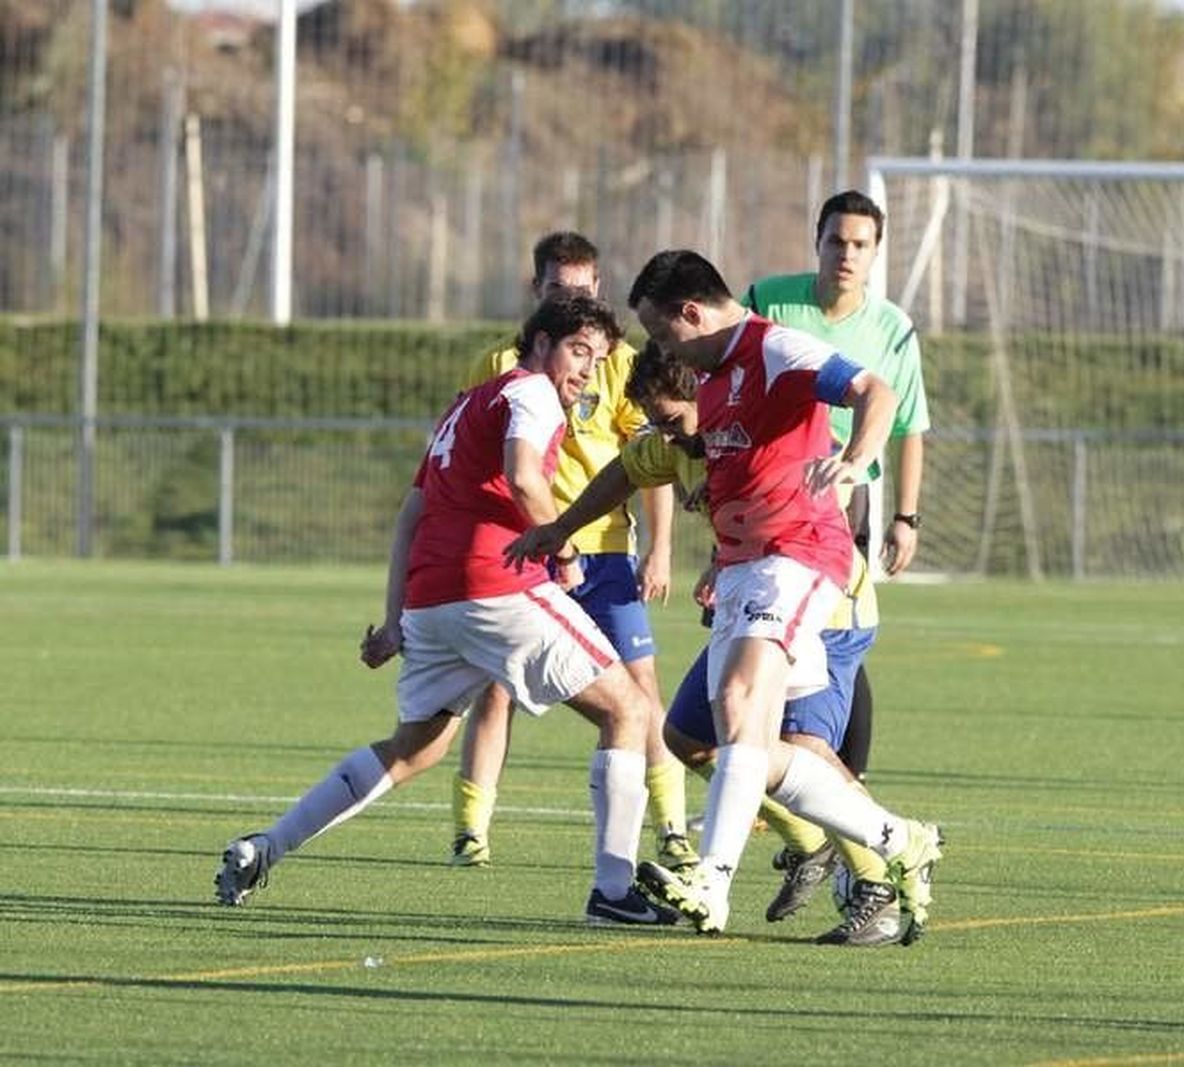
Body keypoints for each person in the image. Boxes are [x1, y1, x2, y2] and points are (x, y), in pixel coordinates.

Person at [508, 249, 943, 941]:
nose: (659, 349)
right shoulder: (707, 384)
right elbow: (628, 469)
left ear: (690, 312)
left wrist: (856, 459)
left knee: (741, 709)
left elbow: (874, 390)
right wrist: (560, 525)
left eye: (661, 332)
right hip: (745, 569)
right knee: (751, 749)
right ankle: (900, 839)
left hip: (800, 554)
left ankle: (712, 884)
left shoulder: (775, 347)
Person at [213, 295, 680, 927]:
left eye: (597, 358)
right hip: (496, 586)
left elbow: (410, 516)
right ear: (539, 343)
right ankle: (613, 891)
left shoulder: (466, 403)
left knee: (414, 750)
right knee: (628, 708)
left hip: (435, 600)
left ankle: (266, 846)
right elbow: (522, 477)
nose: (585, 370)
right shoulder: (530, 392)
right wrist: (563, 546)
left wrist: (395, 619)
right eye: (577, 351)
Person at [449, 232, 694, 874]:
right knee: (497, 691)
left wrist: (661, 546)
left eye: (583, 292)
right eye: (559, 291)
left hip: (604, 550)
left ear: (599, 293)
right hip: (527, 551)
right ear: (538, 293)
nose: (571, 301)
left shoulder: (618, 362)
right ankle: (471, 829)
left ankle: (672, 826)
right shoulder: (501, 364)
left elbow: (652, 460)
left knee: (641, 689)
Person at [744, 189, 930, 783]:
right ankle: (765, 767)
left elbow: (908, 427)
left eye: (859, 244)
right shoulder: (768, 301)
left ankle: (846, 773)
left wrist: (906, 517)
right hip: (766, 496)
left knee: (839, 633)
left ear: (876, 253)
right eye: (836, 241)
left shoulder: (893, 328)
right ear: (816, 242)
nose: (845, 254)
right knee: (757, 622)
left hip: (847, 503)